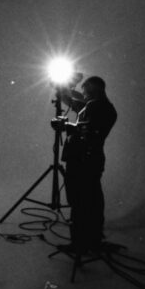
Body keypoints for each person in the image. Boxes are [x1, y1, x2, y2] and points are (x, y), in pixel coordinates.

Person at [53, 76, 117, 254]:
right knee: (91, 200)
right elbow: (76, 104)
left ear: (93, 89)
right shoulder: (100, 106)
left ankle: (79, 244)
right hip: (89, 160)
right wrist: (63, 90)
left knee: (79, 201)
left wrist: (66, 126)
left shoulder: (98, 107)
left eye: (85, 90)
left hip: (82, 160)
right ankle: (92, 241)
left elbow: (89, 131)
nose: (83, 93)